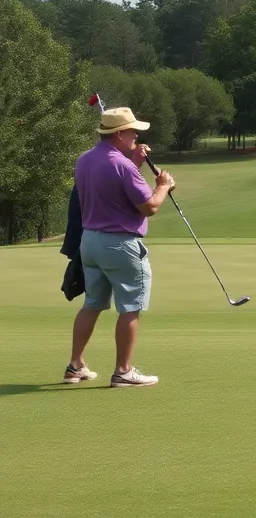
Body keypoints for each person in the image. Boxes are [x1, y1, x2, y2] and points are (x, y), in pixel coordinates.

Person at [65, 106, 175, 388]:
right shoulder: (122, 165)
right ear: (120, 133)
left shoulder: (85, 160)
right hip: (120, 244)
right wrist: (163, 185)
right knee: (131, 307)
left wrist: (134, 162)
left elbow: (112, 187)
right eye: (133, 131)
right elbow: (149, 206)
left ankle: (75, 366)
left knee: (91, 304)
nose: (136, 136)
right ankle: (123, 372)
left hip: (90, 241)